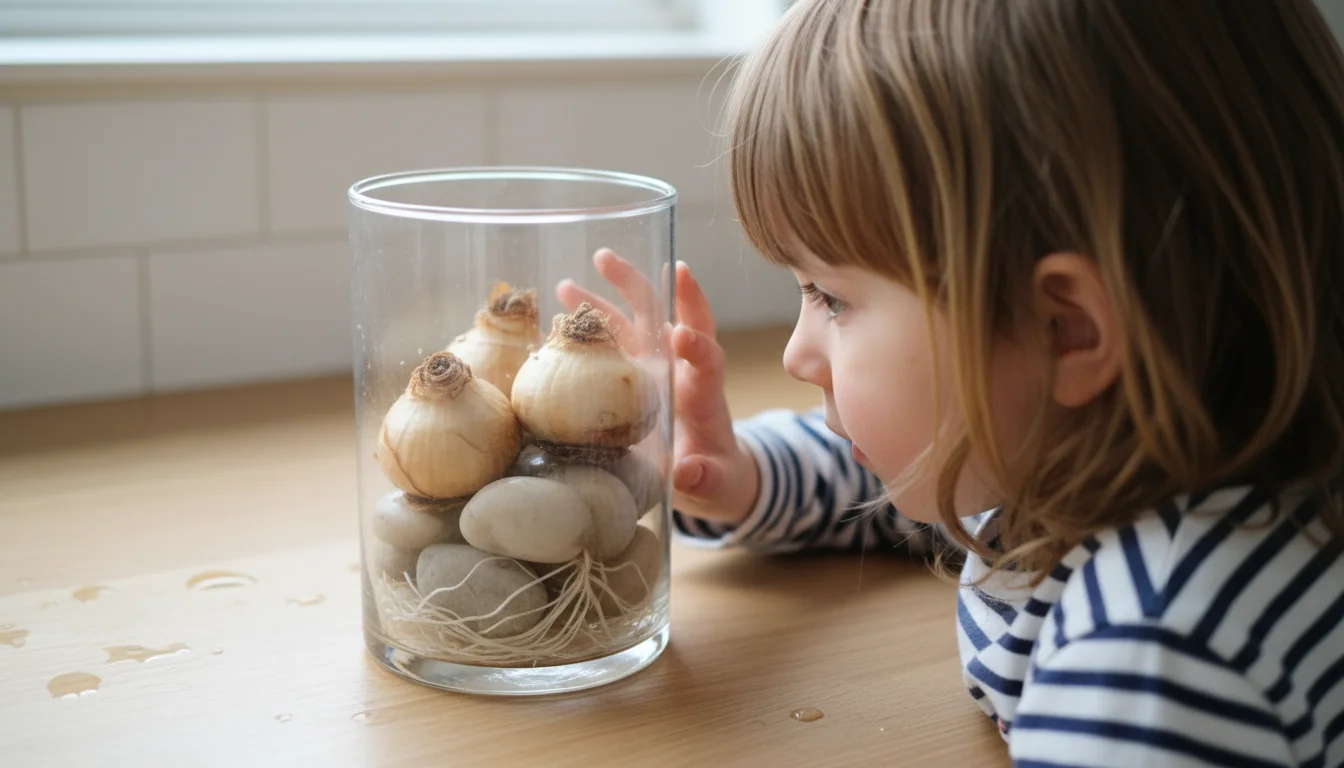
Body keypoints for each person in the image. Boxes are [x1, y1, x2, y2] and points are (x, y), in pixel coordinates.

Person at [561, 0, 1344, 764]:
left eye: (832, 297)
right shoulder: (1098, 454)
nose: (799, 353)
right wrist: (745, 477)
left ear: (1066, 330)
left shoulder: (1147, 664)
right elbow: (914, 471)